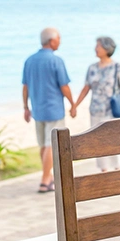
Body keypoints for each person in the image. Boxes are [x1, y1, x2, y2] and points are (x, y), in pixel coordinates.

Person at [22, 27, 76, 193]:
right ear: (51, 41)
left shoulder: (30, 60)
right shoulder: (56, 61)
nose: (59, 41)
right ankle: (45, 180)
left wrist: (25, 107)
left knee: (43, 145)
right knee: (50, 145)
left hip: (37, 109)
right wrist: (73, 104)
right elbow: (64, 87)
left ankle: (49, 176)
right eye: (58, 38)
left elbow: (25, 87)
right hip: (53, 109)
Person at [72, 37, 120, 171]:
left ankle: (117, 169)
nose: (95, 48)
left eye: (98, 46)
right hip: (95, 111)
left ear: (106, 49)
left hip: (112, 111)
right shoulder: (92, 68)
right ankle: (103, 170)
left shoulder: (118, 67)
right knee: (97, 141)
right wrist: (75, 106)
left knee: (114, 140)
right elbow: (85, 89)